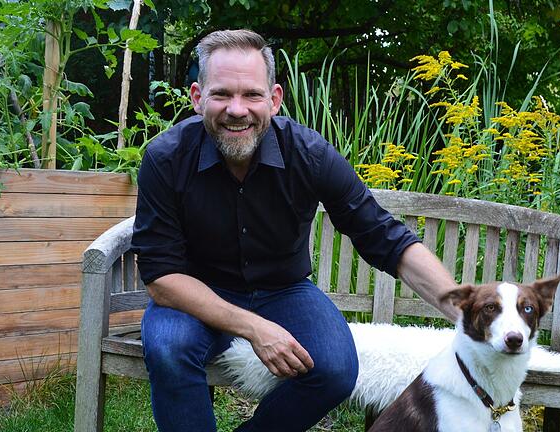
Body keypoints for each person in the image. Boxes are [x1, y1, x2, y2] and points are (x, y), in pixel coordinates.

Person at [131, 29, 459, 432]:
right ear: (198, 98)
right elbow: (162, 279)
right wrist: (255, 328)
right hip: (195, 294)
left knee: (337, 368)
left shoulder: (309, 153)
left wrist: (461, 308)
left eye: (251, 94)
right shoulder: (165, 159)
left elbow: (383, 235)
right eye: (222, 94)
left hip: (283, 290)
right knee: (168, 349)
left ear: (274, 98)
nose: (237, 109)